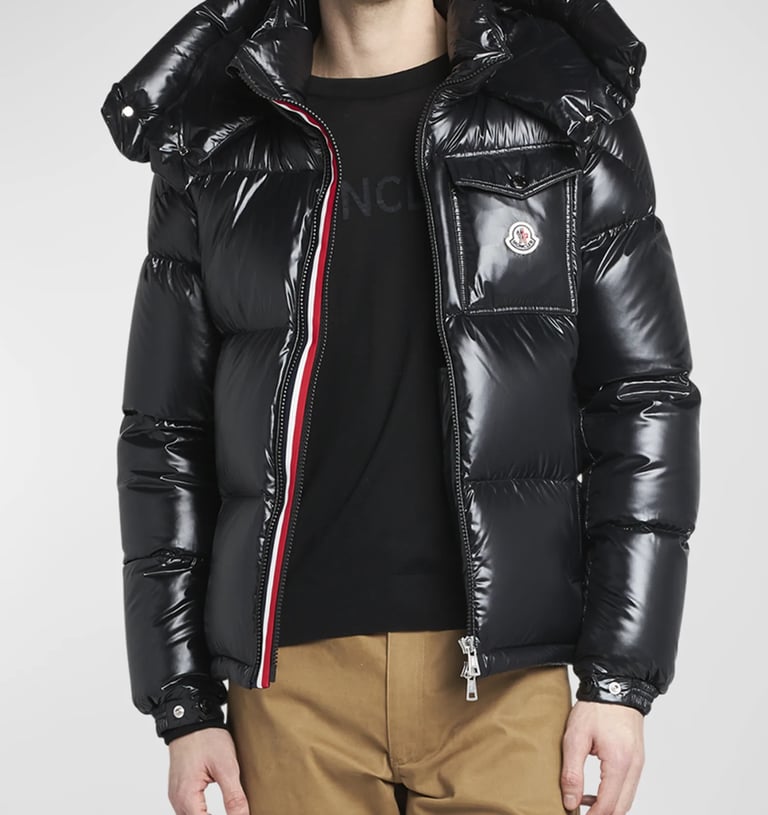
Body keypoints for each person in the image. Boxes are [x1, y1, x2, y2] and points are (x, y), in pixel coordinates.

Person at [101, 0, 701, 812]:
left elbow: (642, 401)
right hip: (287, 690)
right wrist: (183, 704)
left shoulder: (559, 104)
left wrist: (619, 678)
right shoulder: (215, 140)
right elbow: (165, 434)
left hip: (506, 683)